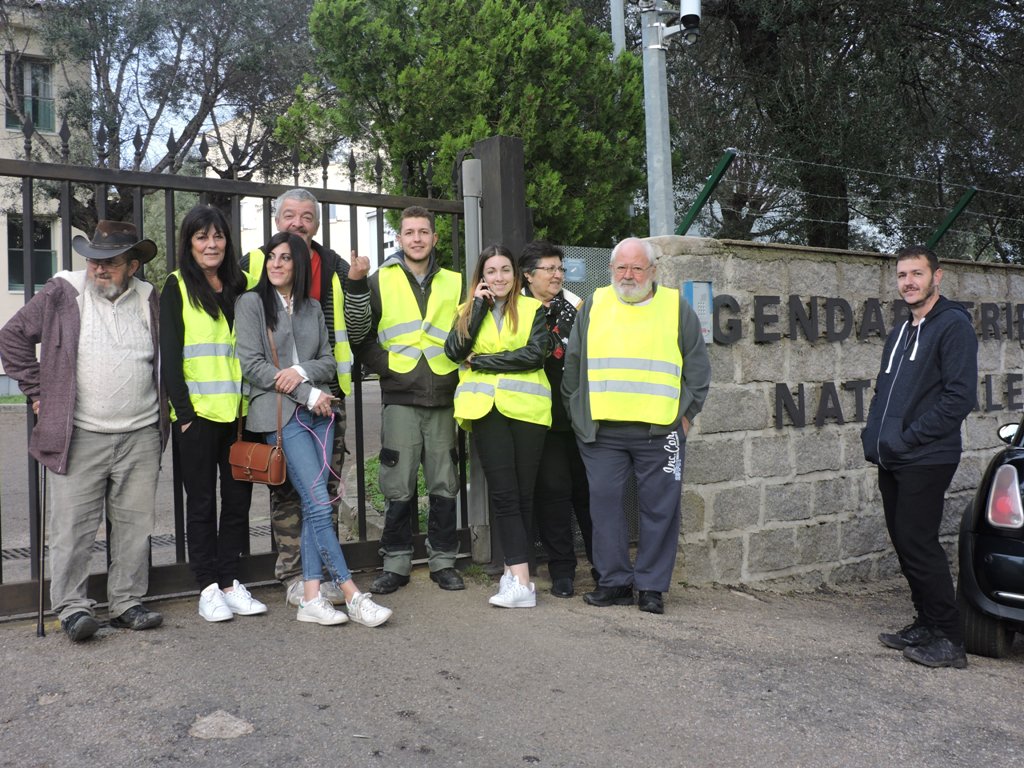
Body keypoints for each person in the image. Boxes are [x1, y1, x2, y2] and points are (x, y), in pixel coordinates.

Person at [0, 221, 169, 641]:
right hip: (80, 433)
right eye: (93, 260)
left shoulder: (150, 297)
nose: (98, 269)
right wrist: (40, 391)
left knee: (133, 525)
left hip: (141, 432)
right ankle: (73, 609)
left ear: (132, 265)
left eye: (109, 262)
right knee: (72, 527)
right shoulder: (63, 290)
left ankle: (127, 601)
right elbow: (13, 337)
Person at [235, 232, 392, 627]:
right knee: (320, 502)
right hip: (280, 416)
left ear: (298, 265)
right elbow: (253, 366)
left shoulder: (311, 308)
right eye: (272, 257)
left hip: (319, 416)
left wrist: (299, 372)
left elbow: (328, 361)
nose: (275, 264)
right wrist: (306, 392)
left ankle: (310, 598)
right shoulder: (251, 303)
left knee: (313, 503)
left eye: (285, 258)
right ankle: (352, 593)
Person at [562, 237, 710, 615]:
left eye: (637, 268)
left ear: (653, 271)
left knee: (660, 509)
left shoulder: (676, 306)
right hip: (602, 434)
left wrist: (686, 415)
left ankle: (651, 587)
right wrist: (579, 415)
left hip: (660, 431)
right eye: (621, 268)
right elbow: (574, 364)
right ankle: (614, 583)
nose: (628, 275)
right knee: (605, 507)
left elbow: (697, 368)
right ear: (611, 269)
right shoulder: (595, 303)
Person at [861, 245, 977, 669]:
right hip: (892, 455)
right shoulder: (903, 329)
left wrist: (908, 438)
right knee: (904, 540)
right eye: (902, 275)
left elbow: (959, 397)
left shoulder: (953, 327)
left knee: (919, 542)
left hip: (927, 456)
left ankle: (949, 637)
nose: (908, 282)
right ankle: (926, 622)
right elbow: (883, 388)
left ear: (937, 277)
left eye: (916, 274)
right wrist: (874, 434)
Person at [160, 205, 266, 622]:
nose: (211, 244)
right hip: (198, 416)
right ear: (189, 243)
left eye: (218, 236)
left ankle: (229, 581)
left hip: (239, 414)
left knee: (238, 502)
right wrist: (183, 413)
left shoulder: (243, 285)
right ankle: (207, 586)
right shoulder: (177, 286)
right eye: (202, 237)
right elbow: (170, 356)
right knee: (201, 503)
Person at [358, 206, 464, 595]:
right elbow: (362, 336)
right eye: (409, 232)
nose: (417, 238)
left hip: (442, 393)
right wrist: (388, 367)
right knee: (397, 483)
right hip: (400, 395)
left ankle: (444, 562)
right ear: (399, 239)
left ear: (435, 239)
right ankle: (396, 563)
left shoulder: (456, 282)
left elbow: (468, 331)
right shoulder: (378, 281)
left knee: (444, 482)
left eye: (424, 232)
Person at [444, 244, 553, 608]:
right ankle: (521, 580)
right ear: (481, 277)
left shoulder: (533, 308)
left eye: (505, 270)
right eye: (491, 271)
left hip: (528, 410)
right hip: (485, 410)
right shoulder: (466, 311)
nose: (499, 277)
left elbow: (534, 354)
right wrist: (477, 306)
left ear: (516, 274)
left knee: (522, 494)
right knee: (505, 493)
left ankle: (515, 575)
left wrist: (486, 361)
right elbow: (455, 353)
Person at [519, 241, 594, 598]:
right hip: (540, 418)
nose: (557, 275)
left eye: (560, 269)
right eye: (549, 269)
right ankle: (562, 570)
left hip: (578, 416)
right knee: (554, 493)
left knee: (589, 494)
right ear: (528, 275)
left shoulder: (577, 306)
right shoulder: (516, 309)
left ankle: (604, 566)